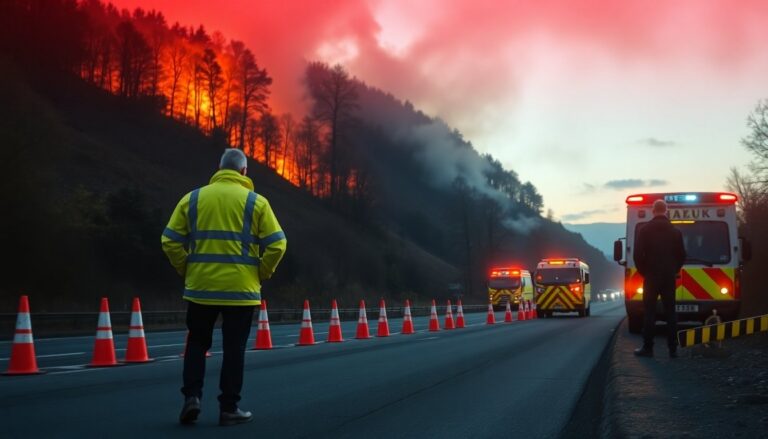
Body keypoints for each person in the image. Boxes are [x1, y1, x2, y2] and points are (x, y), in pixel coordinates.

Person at [161, 148, 287, 426]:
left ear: (219, 169)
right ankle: (229, 408)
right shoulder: (257, 203)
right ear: (244, 172)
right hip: (240, 292)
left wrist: (186, 268)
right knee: (234, 349)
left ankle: (192, 398)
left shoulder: (193, 198)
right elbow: (278, 243)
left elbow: (169, 240)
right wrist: (261, 272)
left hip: (201, 288)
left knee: (196, 343)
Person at [632, 199, 686, 358]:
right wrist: (673, 269)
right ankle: (673, 349)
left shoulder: (644, 230)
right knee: (671, 313)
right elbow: (682, 255)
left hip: (651, 276)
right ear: (666, 211)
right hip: (669, 277)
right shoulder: (675, 232)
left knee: (649, 313)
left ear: (653, 211)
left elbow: (637, 255)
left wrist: (645, 271)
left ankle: (648, 348)